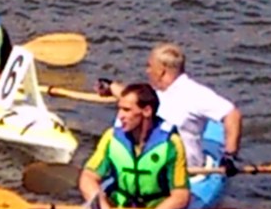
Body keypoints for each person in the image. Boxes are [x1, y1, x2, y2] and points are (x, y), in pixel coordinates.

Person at [98, 42, 243, 176]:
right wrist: (110, 86)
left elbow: (232, 114)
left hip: (186, 173)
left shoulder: (195, 94)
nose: (147, 71)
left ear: (161, 71)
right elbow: (132, 98)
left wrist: (229, 155)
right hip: (149, 171)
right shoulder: (156, 92)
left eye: (150, 66)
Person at [79, 83, 190, 209]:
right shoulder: (111, 137)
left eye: (126, 110)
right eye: (119, 109)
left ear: (147, 111)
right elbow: (88, 177)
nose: (120, 116)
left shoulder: (171, 143)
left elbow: (180, 195)